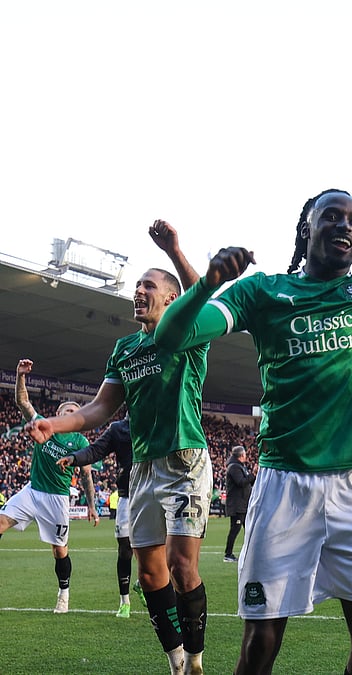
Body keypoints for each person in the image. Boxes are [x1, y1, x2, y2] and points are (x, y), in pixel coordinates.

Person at [154, 152, 352, 675]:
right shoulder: (263, 292)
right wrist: (205, 283)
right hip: (285, 488)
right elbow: (171, 336)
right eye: (332, 216)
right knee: (262, 642)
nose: (345, 226)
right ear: (306, 228)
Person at [26, 221, 210, 675]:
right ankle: (177, 662)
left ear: (170, 298)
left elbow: (200, 297)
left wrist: (174, 251)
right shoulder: (125, 348)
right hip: (144, 470)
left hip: (185, 461)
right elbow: (99, 408)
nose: (139, 291)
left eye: (149, 286)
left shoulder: (188, 335)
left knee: (182, 565)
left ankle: (198, 661)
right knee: (150, 574)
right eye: (137, 286)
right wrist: (55, 423)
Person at [2, 360, 98, 614]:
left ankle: (63, 593)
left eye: (75, 412)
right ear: (58, 412)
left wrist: (91, 506)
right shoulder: (45, 424)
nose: (71, 414)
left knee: (59, 551)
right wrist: (20, 376)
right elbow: (23, 403)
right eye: (67, 410)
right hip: (32, 491)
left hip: (57, 498)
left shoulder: (80, 440)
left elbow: (86, 475)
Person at [57, 415, 134, 618]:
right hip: (128, 496)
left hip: (154, 495)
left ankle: (143, 583)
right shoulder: (118, 429)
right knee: (125, 548)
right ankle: (124, 601)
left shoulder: (156, 422)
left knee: (157, 550)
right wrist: (74, 458)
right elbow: (95, 450)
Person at [224, 446, 255, 563]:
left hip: (243, 504)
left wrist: (252, 477)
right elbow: (241, 482)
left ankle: (250, 552)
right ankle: (228, 554)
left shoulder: (240, 467)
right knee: (235, 529)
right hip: (237, 505)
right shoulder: (234, 468)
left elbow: (247, 482)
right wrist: (251, 475)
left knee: (249, 529)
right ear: (241, 455)